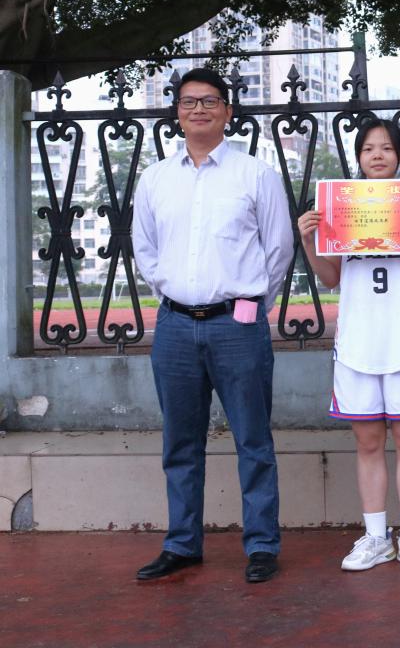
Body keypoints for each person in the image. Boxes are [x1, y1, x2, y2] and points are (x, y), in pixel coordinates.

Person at [132, 67, 294, 583]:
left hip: (237, 327)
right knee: (180, 443)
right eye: (188, 101)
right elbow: (145, 249)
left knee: (253, 440)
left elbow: (279, 248)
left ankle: (262, 545)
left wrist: (253, 303)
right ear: (176, 113)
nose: (198, 109)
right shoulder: (156, 179)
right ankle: (182, 544)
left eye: (209, 101)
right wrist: (172, 293)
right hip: (175, 328)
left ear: (228, 110)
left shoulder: (255, 175)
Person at [296, 117, 400, 572]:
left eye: (386, 148)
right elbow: (332, 277)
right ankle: (377, 537)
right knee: (367, 441)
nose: (377, 155)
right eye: (368, 148)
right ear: (358, 157)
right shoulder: (342, 207)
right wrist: (308, 240)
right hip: (358, 341)